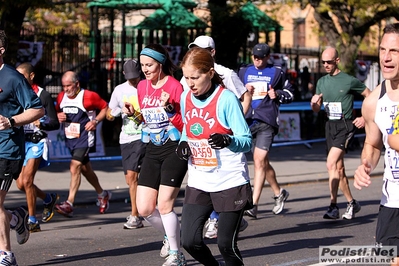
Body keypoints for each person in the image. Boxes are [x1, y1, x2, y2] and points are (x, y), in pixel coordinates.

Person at [178, 46, 252, 266]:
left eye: (195, 77)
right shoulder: (185, 98)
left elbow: (246, 140)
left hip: (229, 180)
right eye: (185, 78)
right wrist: (183, 143)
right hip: (200, 180)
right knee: (189, 241)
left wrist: (227, 140)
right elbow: (187, 128)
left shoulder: (226, 99)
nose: (190, 84)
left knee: (226, 245)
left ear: (210, 73)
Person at [132, 44, 188, 266]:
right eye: (142, 65)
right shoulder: (142, 87)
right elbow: (147, 121)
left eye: (149, 65)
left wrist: (171, 110)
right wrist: (135, 116)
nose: (145, 69)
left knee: (165, 205)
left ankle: (177, 254)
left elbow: (186, 124)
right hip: (152, 149)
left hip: (174, 148)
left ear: (161, 64)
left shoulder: (175, 87)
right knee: (145, 208)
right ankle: (169, 235)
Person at [354, 23, 399, 266]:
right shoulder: (372, 102)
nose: (386, 58)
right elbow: (373, 145)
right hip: (391, 199)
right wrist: (365, 165)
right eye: (383, 50)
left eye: (395, 51)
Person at [0, 30, 45, 265]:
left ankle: (6, 255)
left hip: (6, 148)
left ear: (1, 50)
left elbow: (38, 110)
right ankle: (17, 219)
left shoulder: (13, 78)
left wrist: (12, 121)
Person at [310, 47, 370, 220]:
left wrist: (365, 117)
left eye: (329, 62)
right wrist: (314, 104)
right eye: (323, 62)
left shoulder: (349, 80)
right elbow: (316, 109)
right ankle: (349, 203)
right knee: (338, 168)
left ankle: (333, 205)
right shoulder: (321, 82)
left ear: (337, 61)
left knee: (331, 163)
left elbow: (370, 96)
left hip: (346, 125)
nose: (326, 65)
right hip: (330, 125)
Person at [238, 43, 294, 219]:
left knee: (258, 159)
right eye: (255, 56)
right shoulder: (243, 71)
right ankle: (279, 192)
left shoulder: (277, 72)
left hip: (267, 121)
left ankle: (253, 204)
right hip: (247, 121)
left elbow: (290, 94)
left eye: (261, 57)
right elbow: (232, 93)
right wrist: (243, 91)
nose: (257, 59)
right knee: (262, 163)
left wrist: (277, 94)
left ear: (268, 57)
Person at [54, 71, 111, 217]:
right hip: (71, 138)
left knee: (74, 166)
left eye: (69, 86)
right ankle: (102, 194)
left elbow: (105, 107)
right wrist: (58, 116)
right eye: (64, 86)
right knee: (85, 169)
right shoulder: (61, 97)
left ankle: (69, 203)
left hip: (86, 138)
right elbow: (56, 112)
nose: (66, 89)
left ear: (77, 84)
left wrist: (95, 121)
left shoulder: (89, 96)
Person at [15, 63, 60, 233]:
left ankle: (32, 220)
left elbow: (55, 123)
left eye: (22, 76)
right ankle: (48, 198)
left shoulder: (43, 95)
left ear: (31, 76)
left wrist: (41, 123)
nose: (19, 80)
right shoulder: (16, 93)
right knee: (20, 184)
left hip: (37, 142)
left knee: (27, 181)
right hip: (21, 141)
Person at [106, 59, 146, 229]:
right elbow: (108, 113)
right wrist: (118, 111)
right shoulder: (119, 90)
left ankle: (135, 215)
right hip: (126, 137)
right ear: (124, 75)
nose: (134, 80)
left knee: (133, 175)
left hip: (144, 136)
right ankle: (143, 208)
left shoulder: (146, 87)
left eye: (136, 77)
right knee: (130, 179)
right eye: (130, 78)